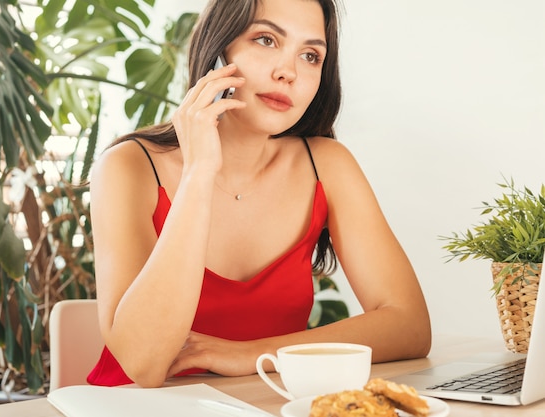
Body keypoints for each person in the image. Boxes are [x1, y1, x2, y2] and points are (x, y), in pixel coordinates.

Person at [87, 0, 431, 388]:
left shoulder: (327, 166)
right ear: (218, 51)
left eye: (310, 56)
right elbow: (143, 364)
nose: (288, 72)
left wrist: (250, 354)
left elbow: (410, 325)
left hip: (263, 403)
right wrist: (199, 173)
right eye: (266, 40)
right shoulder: (128, 167)